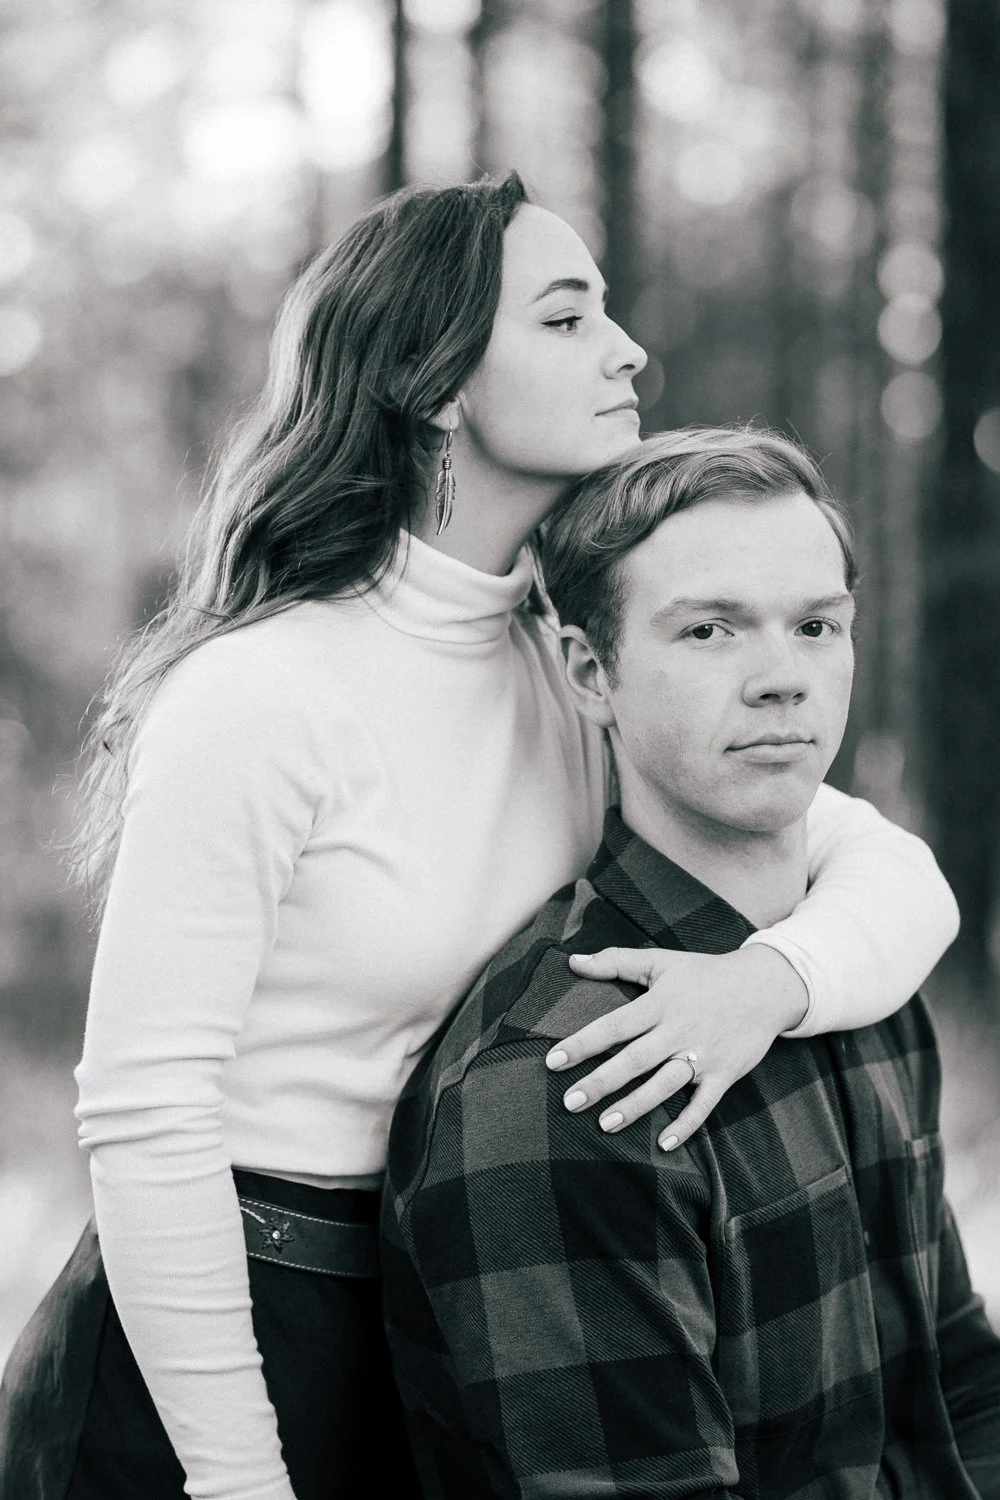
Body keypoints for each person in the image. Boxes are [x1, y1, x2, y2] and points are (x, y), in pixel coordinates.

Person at [0, 178, 958, 1500]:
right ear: (437, 380)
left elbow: (889, 872)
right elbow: (147, 1116)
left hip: (442, 1303)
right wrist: (234, 1478)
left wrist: (769, 985)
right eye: (567, 320)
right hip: (204, 1347)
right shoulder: (261, 694)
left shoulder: (563, 666)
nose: (627, 350)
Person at [382, 426, 1000, 1500]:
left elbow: (958, 1387)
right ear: (588, 671)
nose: (782, 681)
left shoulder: (855, 978)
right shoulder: (564, 1085)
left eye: (816, 626)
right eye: (709, 630)